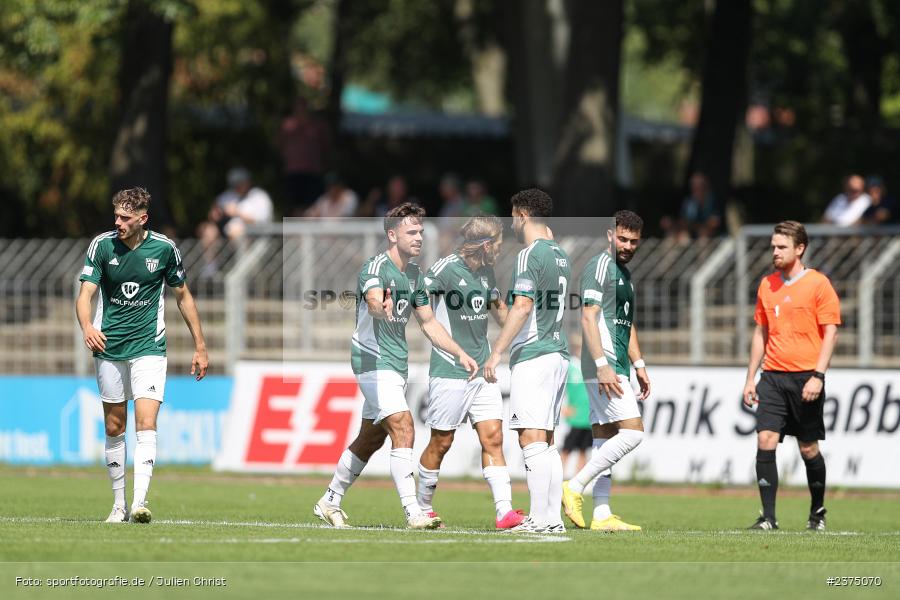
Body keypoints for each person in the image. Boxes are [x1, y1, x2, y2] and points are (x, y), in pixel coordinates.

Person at [314, 203, 478, 530]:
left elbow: (429, 323)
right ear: (392, 235)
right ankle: (413, 511)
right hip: (372, 361)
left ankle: (330, 500)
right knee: (403, 425)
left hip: (394, 364)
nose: (419, 237)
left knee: (370, 439)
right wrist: (380, 307)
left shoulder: (415, 274)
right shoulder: (375, 268)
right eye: (411, 232)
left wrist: (458, 351)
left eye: (420, 231)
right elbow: (374, 300)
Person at [75, 187, 209, 524]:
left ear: (142, 218)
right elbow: (84, 295)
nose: (117, 222)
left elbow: (184, 297)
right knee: (114, 424)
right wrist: (87, 326)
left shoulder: (164, 249)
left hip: (149, 347)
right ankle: (118, 506)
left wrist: (201, 346)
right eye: (116, 216)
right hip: (109, 346)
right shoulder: (102, 246)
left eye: (124, 217)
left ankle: (139, 503)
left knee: (146, 422)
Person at [415, 215, 526, 530]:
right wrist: (456, 351)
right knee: (442, 441)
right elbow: (422, 310)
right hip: (451, 370)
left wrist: (524, 325)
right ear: (487, 245)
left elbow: (500, 312)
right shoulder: (445, 269)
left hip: (483, 372)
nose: (501, 250)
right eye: (499, 245)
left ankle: (504, 512)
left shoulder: (487, 272)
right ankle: (422, 507)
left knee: (493, 437)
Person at [483, 188, 572, 533]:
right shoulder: (559, 252)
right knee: (547, 441)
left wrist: (497, 351)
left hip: (533, 355)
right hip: (558, 353)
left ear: (521, 215)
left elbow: (522, 306)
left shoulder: (529, 254)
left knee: (530, 438)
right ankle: (552, 520)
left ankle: (538, 519)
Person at [742, 221, 840, 531]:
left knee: (808, 448)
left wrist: (818, 376)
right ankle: (768, 517)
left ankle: (817, 513)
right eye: (773, 246)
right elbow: (761, 331)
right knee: (765, 439)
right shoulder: (766, 285)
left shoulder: (818, 284)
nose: (775, 251)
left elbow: (831, 332)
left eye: (781, 247)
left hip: (806, 379)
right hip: (772, 376)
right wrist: (750, 378)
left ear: (800, 249)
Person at [561, 211, 650, 532]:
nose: (627, 245)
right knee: (633, 432)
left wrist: (639, 364)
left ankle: (601, 513)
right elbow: (588, 318)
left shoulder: (623, 274)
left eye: (633, 241)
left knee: (605, 438)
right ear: (610, 235)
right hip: (604, 365)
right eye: (622, 238)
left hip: (618, 365)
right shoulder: (599, 267)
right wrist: (601, 366)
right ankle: (574, 486)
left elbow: (627, 324)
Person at [280, 97, 331, 215]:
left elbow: (326, 146)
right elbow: (280, 145)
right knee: (295, 205)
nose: (300, 109)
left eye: (303, 106)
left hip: (313, 170)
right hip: (293, 171)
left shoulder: (318, 125)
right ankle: (295, 231)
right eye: (298, 106)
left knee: (313, 205)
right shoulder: (287, 125)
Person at [559, 349, 592, 478]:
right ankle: (557, 478)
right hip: (575, 418)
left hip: (588, 418)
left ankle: (578, 482)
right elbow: (558, 386)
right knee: (567, 449)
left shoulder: (592, 367)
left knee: (584, 451)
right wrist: (561, 406)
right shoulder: (570, 366)